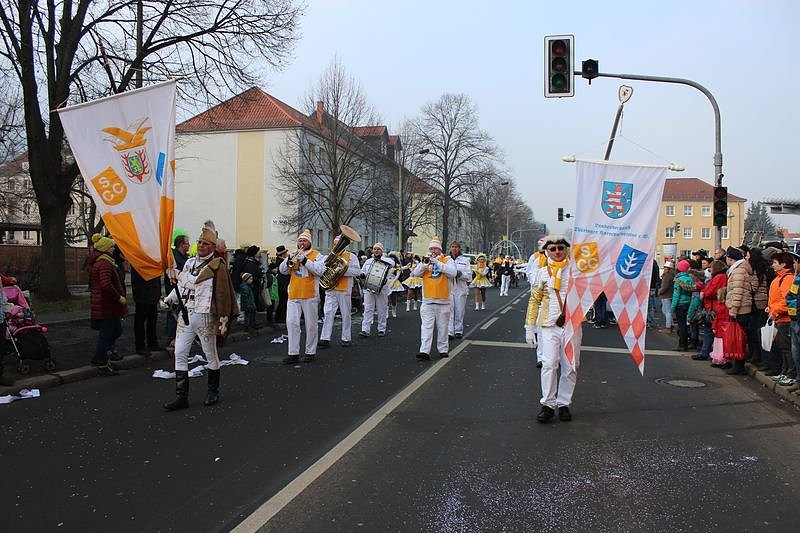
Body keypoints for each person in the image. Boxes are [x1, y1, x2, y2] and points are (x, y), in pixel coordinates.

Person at [163, 223, 239, 410]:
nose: (201, 245)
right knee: (180, 352)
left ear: (213, 247)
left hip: (205, 316)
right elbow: (181, 288)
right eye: (199, 242)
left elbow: (194, 283)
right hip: (186, 314)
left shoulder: (217, 266)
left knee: (209, 354)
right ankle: (182, 397)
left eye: (205, 243)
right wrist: (169, 299)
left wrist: (179, 276)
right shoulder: (189, 263)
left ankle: (213, 391)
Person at [524, 234, 579, 423]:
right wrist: (529, 328)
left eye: (560, 248)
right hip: (548, 325)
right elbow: (534, 300)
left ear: (566, 250)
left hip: (573, 325)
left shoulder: (577, 271)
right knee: (549, 364)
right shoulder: (542, 272)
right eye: (553, 249)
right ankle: (548, 404)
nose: (557, 252)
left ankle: (564, 403)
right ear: (547, 251)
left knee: (570, 366)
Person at [279, 230, 325, 364]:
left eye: (304, 241)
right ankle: (293, 353)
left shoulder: (317, 255)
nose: (301, 243)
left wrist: (304, 260)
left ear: (309, 242)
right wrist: (289, 258)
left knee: (311, 325)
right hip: (293, 294)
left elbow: (319, 270)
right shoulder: (294, 254)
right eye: (300, 241)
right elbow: (283, 271)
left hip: (310, 294)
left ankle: (310, 352)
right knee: (292, 323)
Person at [87, 233, 128, 376]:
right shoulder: (104, 263)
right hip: (106, 305)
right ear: (105, 248)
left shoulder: (104, 261)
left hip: (105, 304)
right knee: (108, 333)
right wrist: (118, 297)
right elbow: (106, 285)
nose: (113, 249)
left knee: (115, 331)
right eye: (111, 247)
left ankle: (100, 357)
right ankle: (102, 362)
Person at [412, 236, 457, 360]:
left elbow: (453, 273)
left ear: (440, 250)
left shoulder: (447, 260)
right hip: (428, 300)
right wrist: (424, 265)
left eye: (435, 249)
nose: (433, 251)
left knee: (443, 327)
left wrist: (437, 262)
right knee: (426, 327)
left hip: (443, 300)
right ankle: (424, 351)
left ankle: (443, 349)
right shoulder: (426, 262)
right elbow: (415, 274)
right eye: (431, 248)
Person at [319, 234, 361, 348]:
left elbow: (357, 271)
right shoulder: (328, 257)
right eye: (335, 244)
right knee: (328, 313)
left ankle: (346, 338)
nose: (336, 246)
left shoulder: (351, 256)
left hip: (344, 289)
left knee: (346, 314)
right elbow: (321, 270)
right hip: (331, 289)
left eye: (338, 244)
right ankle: (325, 338)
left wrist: (340, 270)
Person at [724, 246, 756, 375]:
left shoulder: (738, 272)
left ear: (730, 258)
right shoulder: (740, 270)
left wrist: (734, 309)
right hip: (742, 307)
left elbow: (737, 292)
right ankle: (736, 362)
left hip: (741, 309)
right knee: (739, 337)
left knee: (739, 338)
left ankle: (739, 365)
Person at [765, 252, 795, 383]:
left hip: (785, 319)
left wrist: (775, 310)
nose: (772, 265)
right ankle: (784, 371)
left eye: (775, 263)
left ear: (783, 264)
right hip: (778, 317)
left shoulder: (787, 278)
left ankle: (790, 374)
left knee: (787, 348)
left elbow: (786, 300)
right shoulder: (778, 277)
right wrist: (770, 308)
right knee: (783, 347)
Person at [693, 260, 728, 361]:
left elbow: (709, 291)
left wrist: (703, 293)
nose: (709, 269)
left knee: (710, 330)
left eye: (711, 268)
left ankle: (705, 352)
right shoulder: (721, 277)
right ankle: (710, 352)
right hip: (713, 306)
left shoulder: (719, 277)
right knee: (712, 331)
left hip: (713, 307)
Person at [359, 243, 395, 338]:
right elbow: (362, 270)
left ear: (381, 251)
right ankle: (365, 330)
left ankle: (381, 329)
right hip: (369, 287)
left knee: (381, 309)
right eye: (374, 249)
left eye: (378, 249)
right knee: (368, 309)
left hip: (382, 288)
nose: (376, 250)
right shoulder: (368, 261)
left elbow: (393, 263)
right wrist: (362, 274)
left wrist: (381, 258)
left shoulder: (386, 261)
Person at [130, 265, 162, 356]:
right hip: (142, 295)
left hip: (152, 294)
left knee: (152, 320)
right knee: (140, 321)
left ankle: (152, 343)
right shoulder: (138, 260)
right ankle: (140, 346)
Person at [164, 234, 190, 348]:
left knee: (182, 313)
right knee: (173, 313)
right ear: (181, 245)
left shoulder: (185, 258)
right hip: (175, 290)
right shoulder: (174, 258)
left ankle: (181, 336)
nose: (189, 245)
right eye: (187, 243)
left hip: (184, 290)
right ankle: (171, 338)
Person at [447, 241, 472, 339]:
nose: (454, 248)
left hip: (460, 288)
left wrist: (460, 274)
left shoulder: (465, 260)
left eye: (456, 247)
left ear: (459, 248)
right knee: (449, 310)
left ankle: (458, 330)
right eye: (452, 247)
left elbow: (469, 276)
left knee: (459, 310)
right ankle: (450, 332)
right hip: (449, 288)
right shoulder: (446, 259)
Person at [671, 260, 696, 352]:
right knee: (685, 324)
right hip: (688, 303)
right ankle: (686, 343)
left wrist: (672, 307)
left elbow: (676, 295)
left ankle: (682, 344)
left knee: (681, 326)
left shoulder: (678, 280)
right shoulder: (689, 279)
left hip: (680, 304)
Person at [272, 245, 290, 328]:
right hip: (283, 284)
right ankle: (280, 317)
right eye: (285, 253)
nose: (287, 254)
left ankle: (281, 317)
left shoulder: (281, 260)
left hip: (284, 284)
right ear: (282, 254)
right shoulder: (281, 262)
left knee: (284, 302)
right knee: (283, 302)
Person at [658, 261, 675, 333]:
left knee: (667, 311)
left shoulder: (667, 276)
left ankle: (668, 327)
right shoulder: (671, 275)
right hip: (669, 295)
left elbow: (665, 287)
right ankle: (671, 324)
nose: (664, 268)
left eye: (666, 267)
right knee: (666, 311)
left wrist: (659, 292)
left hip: (666, 295)